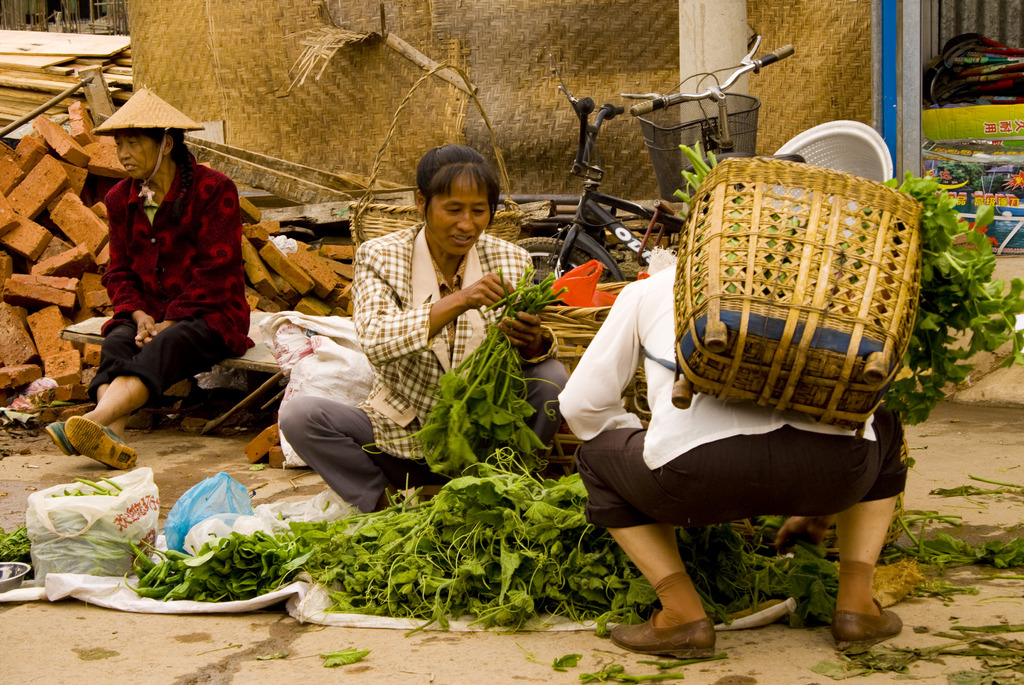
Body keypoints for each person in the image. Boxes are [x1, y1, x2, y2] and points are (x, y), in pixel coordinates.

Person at [558, 265, 907, 657]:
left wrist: (639, 436)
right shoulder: (828, 284)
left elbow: (580, 404)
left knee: (594, 454)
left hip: (692, 480)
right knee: (887, 419)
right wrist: (822, 503)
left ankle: (681, 615)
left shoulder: (656, 287)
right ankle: (857, 607)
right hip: (839, 474)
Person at [280, 144, 568, 512]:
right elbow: (375, 339)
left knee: (551, 376)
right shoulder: (381, 255)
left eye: (479, 211)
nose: (467, 224)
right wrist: (459, 300)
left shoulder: (512, 259)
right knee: (300, 417)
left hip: (484, 435)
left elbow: (533, 354)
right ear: (421, 202)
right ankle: (384, 507)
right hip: (403, 434)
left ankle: (509, 487)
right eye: (453, 209)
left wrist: (534, 342)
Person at [45, 89, 252, 469]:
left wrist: (169, 319)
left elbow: (217, 268)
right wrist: (138, 315)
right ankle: (111, 437)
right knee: (118, 341)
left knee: (167, 342)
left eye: (133, 143)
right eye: (119, 144)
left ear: (166, 143)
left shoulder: (214, 190)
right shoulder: (120, 199)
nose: (122, 154)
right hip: (148, 314)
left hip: (211, 313)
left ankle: (94, 420)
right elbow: (119, 270)